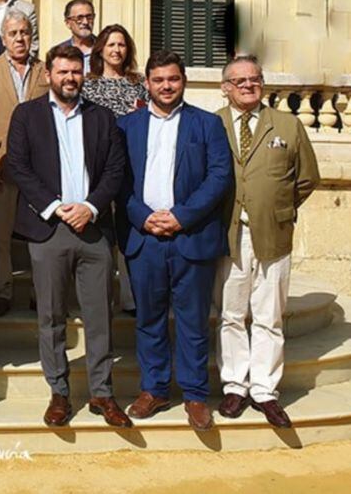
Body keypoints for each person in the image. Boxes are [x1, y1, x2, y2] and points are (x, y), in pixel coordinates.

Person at [6, 44, 131, 428]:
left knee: (99, 317)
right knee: (51, 315)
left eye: (76, 72)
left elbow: (115, 169)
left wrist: (90, 206)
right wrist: (56, 206)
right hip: (48, 229)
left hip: (93, 229)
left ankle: (102, 393)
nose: (70, 78)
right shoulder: (26, 115)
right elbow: (18, 166)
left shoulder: (102, 118)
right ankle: (59, 392)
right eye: (63, 72)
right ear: (48, 74)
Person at [116, 51, 233, 432]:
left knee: (193, 321)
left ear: (183, 81)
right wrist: (143, 216)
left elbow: (219, 176)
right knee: (149, 319)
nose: (166, 86)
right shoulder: (126, 126)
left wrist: (182, 216)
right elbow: (117, 179)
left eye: (173, 79)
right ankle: (154, 388)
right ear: (146, 83)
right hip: (144, 237)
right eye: (159, 80)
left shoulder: (207, 124)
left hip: (192, 236)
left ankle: (196, 395)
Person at [216, 55, 320, 429]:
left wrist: (277, 208)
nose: (247, 85)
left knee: (268, 315)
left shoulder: (288, 125)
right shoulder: (213, 124)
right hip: (229, 235)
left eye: (254, 79)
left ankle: (264, 389)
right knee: (231, 314)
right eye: (239, 80)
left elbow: (306, 178)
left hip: (273, 234)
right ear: (225, 87)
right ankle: (234, 385)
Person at [0, 10, 49, 317]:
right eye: (13, 33)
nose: (20, 38)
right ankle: (1, 290)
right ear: (3, 38)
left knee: (41, 232)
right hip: (0, 164)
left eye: (24, 33)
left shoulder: (46, 71)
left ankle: (40, 292)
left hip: (39, 168)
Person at [81, 23, 148, 314]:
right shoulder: (87, 84)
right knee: (100, 234)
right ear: (101, 50)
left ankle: (130, 298)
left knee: (128, 230)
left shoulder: (139, 82)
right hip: (97, 166)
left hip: (132, 164)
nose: (116, 50)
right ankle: (100, 298)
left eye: (121, 45)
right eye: (111, 45)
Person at [51, 0, 96, 73]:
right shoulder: (58, 52)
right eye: (79, 18)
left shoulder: (104, 49)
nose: (85, 22)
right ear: (68, 23)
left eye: (89, 17)